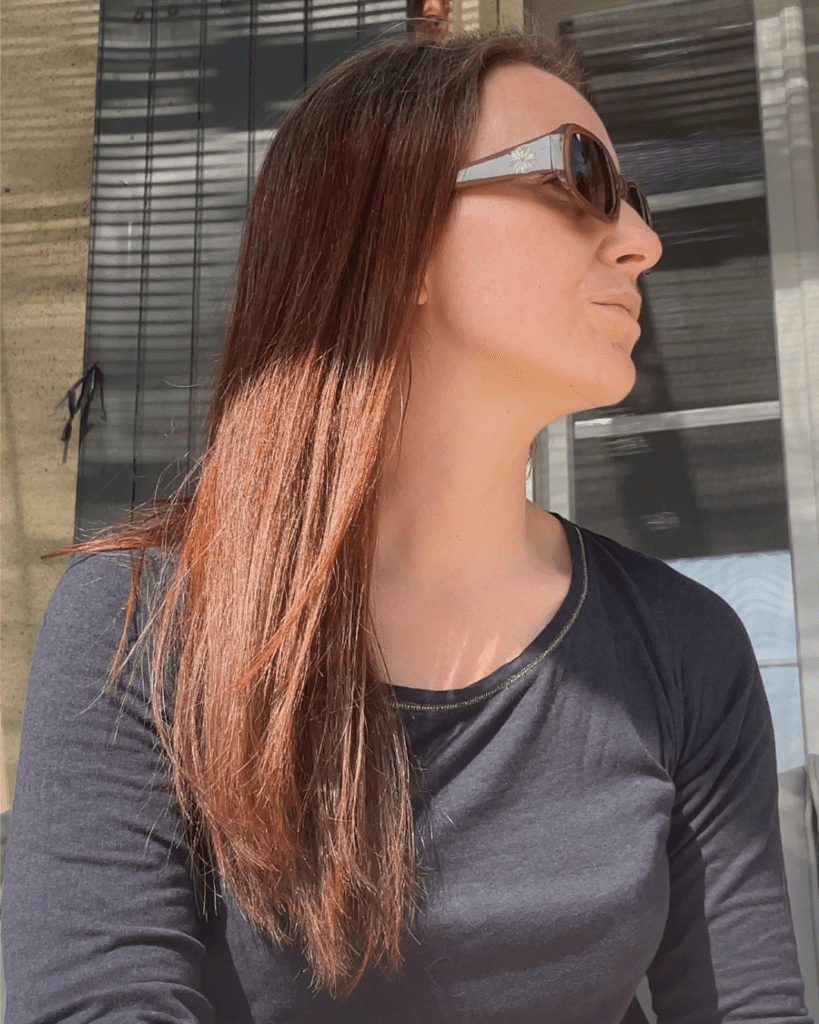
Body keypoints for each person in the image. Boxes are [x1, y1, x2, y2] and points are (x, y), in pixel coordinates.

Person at [2, 26, 813, 1024]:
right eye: (580, 178)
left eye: (635, 201)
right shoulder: (140, 625)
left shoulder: (686, 648)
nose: (640, 239)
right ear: (396, 235)